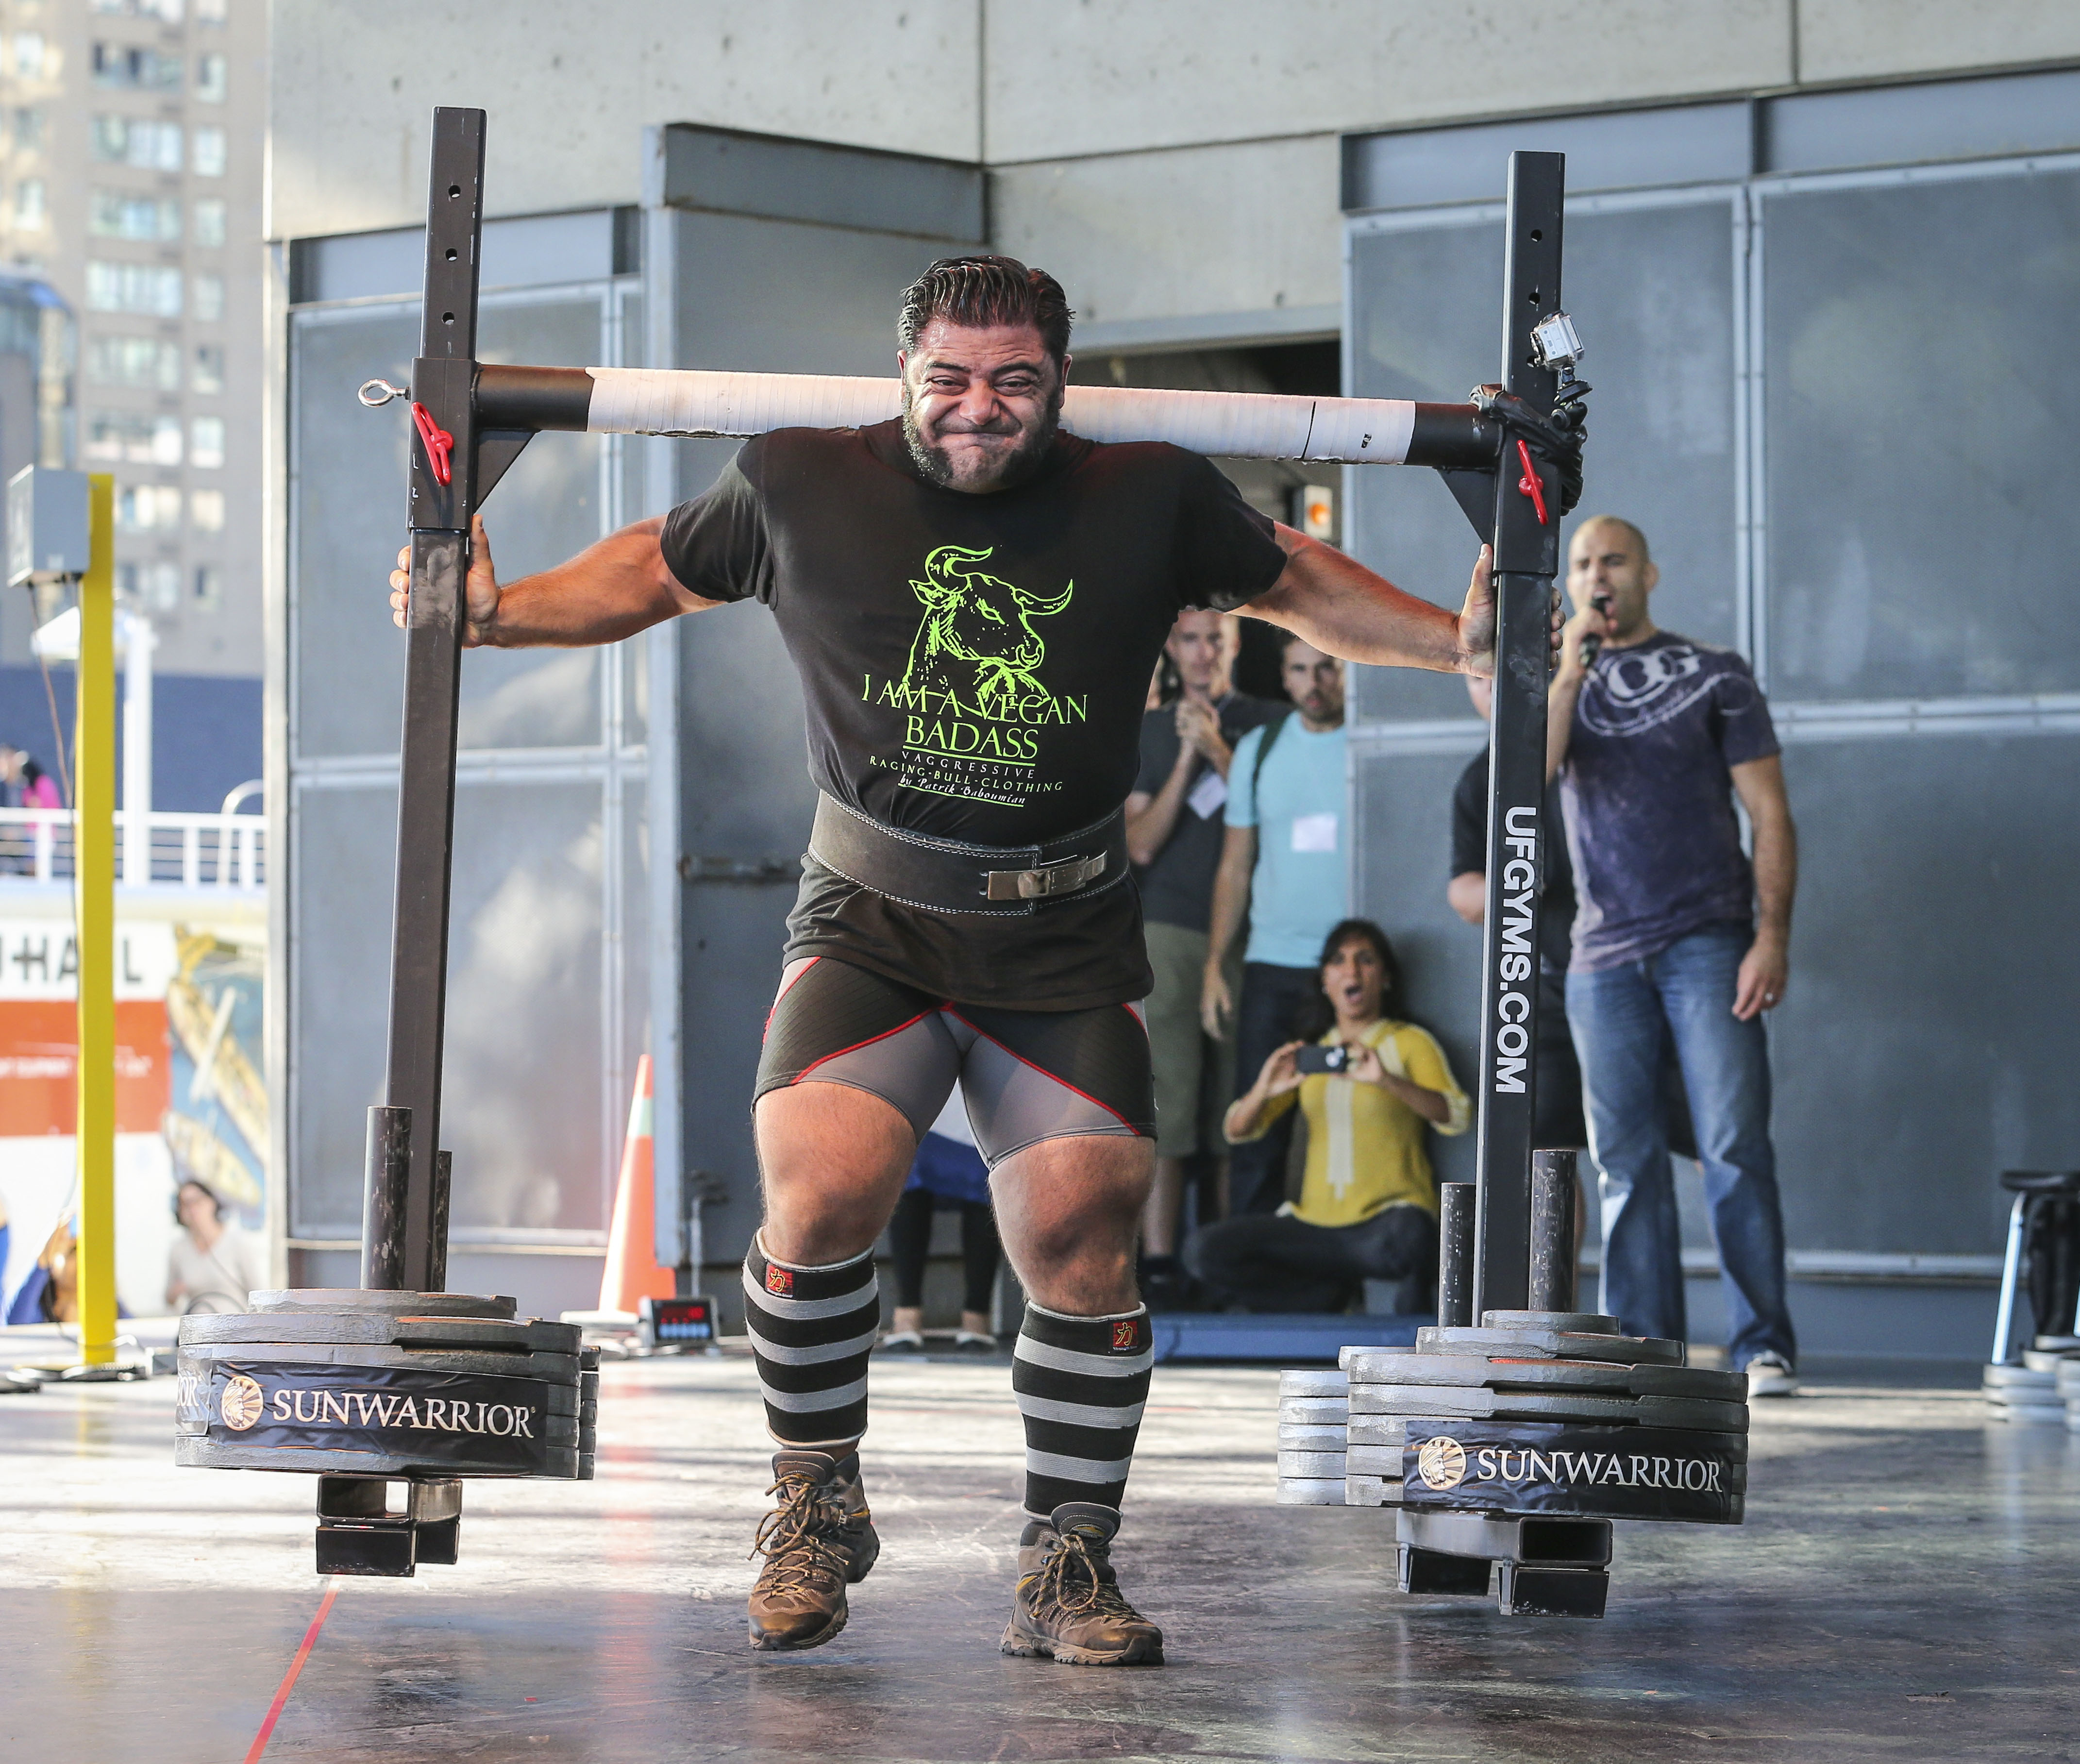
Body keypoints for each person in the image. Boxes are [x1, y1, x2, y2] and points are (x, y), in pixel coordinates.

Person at [387, 253, 1552, 1665]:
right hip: (873, 917)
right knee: (817, 1194)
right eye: (949, 378)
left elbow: (1297, 579)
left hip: (1061, 932)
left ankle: (1067, 1559)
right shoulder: (800, 480)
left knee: (1079, 1233)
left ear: (1061, 383)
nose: (978, 408)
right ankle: (815, 1495)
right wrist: (499, 613)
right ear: (904, 374)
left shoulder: (1149, 493)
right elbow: (652, 566)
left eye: (1013, 382)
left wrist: (1457, 645)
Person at [1549, 515, 1800, 1397]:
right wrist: (1569, 662)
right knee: (1624, 1160)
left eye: (1610, 558)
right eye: (1580, 563)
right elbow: (1532, 768)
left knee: (1732, 1145)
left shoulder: (1715, 672)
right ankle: (1642, 1354)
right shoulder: (1558, 676)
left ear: (1647, 572)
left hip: (1707, 939)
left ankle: (1761, 1344)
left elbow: (1768, 813)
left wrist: (1769, 937)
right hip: (1601, 955)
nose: (1595, 574)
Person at [1185, 920, 1466, 1310]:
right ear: (1324, 980)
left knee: (1412, 1236)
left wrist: (1387, 1080)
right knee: (1205, 1251)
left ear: (1384, 978)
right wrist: (1265, 1088)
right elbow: (1237, 1130)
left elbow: (1456, 1115)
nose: (1352, 971)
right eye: (1339, 961)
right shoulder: (1310, 1054)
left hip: (1384, 1225)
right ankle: (1321, 1297)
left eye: (1365, 960)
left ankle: (1346, 1300)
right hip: (1313, 1227)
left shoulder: (1408, 1041)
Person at [1124, 608, 1277, 1303]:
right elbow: (1141, 843)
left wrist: (1222, 751)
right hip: (1169, 931)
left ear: (1237, 645)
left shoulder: (1269, 723)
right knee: (1173, 1101)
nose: (1204, 651)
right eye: (1190, 637)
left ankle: (1224, 1255)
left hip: (1257, 931)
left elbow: (1278, 819)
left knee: (1233, 1101)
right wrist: (1188, 757)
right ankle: (1160, 1262)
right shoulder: (1149, 730)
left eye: (1217, 638)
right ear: (1171, 647)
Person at [1200, 635, 1348, 1218]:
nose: (1315, 682)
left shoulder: (1372, 742)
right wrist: (1216, 963)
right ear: (1284, 679)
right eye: (1301, 670)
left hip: (1350, 967)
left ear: (1348, 674)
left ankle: (1341, 1286)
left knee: (1350, 1119)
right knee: (1258, 1122)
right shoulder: (1261, 750)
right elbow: (1235, 867)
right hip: (1272, 963)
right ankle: (1252, 1286)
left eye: (1328, 668)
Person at [1448, 674, 1586, 1153]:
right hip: (1545, 987)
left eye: (1501, 671)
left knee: (1694, 1134)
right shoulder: (1479, 780)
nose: (1490, 685)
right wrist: (1512, 886)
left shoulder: (1592, 744)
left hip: (1634, 969)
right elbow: (1463, 892)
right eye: (1477, 676)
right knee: (1547, 1153)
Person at [881, 1086, 1002, 1354]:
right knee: (910, 1176)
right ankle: (906, 1316)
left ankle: (977, 1318)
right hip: (925, 1073)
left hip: (980, 1069)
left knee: (981, 1178)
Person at [166, 1178, 266, 1315]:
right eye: (185, 1205)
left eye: (197, 1202)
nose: (193, 1210)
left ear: (212, 1203)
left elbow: (257, 1292)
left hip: (235, 1325)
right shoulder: (179, 1250)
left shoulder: (237, 1243)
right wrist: (176, 1293)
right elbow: (168, 1299)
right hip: (197, 1326)